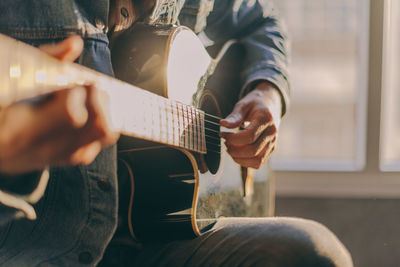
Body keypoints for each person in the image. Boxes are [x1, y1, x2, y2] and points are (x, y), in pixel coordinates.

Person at [0, 0, 353, 266]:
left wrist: (266, 92)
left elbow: (261, 21)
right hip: (37, 245)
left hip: (161, 233)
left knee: (313, 252)